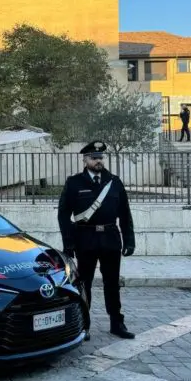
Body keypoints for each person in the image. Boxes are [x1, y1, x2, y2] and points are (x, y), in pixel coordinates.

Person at [57, 141, 136, 341]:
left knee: (112, 283)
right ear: (85, 160)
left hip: (110, 238)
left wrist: (129, 240)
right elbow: (63, 214)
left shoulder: (114, 182)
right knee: (85, 284)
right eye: (94, 158)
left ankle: (117, 323)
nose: (98, 161)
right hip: (85, 238)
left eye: (100, 157)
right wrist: (69, 243)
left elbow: (125, 214)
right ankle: (84, 325)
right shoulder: (74, 183)